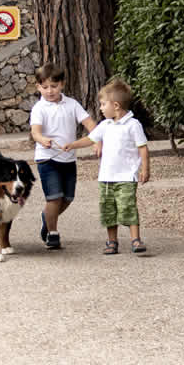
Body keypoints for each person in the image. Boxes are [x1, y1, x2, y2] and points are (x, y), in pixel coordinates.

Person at [62, 78, 151, 256]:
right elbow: (91, 139)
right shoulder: (105, 125)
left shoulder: (133, 125)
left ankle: (135, 239)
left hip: (126, 177)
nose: (101, 108)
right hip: (106, 178)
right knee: (108, 209)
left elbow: (143, 147)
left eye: (103, 104)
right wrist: (73, 145)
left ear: (116, 105)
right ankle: (112, 241)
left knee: (128, 206)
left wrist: (145, 169)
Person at [28, 64, 96, 251]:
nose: (49, 91)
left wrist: (97, 140)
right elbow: (35, 132)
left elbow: (90, 124)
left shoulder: (72, 104)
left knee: (67, 198)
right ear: (38, 87)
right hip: (47, 158)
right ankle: (53, 233)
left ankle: (47, 217)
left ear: (62, 85)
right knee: (54, 198)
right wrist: (42, 139)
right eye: (45, 87)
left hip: (68, 159)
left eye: (54, 86)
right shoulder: (39, 108)